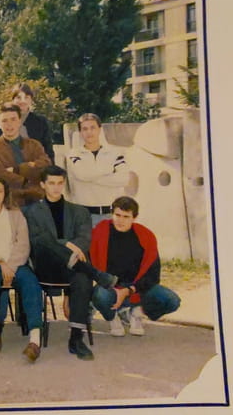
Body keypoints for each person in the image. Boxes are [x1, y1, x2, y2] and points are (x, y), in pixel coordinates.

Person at [23, 165, 118, 361]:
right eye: (51, 183)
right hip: (46, 267)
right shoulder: (31, 212)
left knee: (82, 278)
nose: (56, 188)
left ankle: (76, 339)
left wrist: (70, 247)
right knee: (44, 241)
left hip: (73, 267)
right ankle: (96, 274)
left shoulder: (79, 211)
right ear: (43, 185)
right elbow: (37, 240)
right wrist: (66, 243)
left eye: (60, 183)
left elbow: (84, 239)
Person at [0, 177, 43, 362]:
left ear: (5, 194)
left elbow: (23, 244)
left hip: (16, 264)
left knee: (31, 282)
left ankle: (35, 339)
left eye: (0, 191)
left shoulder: (16, 215)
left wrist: (10, 265)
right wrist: (0, 262)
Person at [90, 196, 181, 337]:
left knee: (172, 300)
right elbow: (89, 265)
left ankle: (137, 313)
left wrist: (129, 290)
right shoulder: (100, 232)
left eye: (126, 217)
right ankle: (113, 317)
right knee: (99, 295)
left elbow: (153, 276)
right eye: (117, 215)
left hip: (137, 288)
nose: (120, 220)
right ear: (112, 214)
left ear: (134, 218)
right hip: (111, 287)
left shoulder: (146, 236)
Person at [65, 113, 129, 225]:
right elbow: (82, 175)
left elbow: (123, 179)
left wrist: (90, 176)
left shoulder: (115, 153)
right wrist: (109, 170)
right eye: (85, 129)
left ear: (100, 129)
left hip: (110, 214)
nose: (89, 132)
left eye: (92, 128)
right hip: (84, 215)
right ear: (80, 132)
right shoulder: (74, 154)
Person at [0, 103, 51, 207]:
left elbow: (46, 165)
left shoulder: (34, 144)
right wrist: (25, 181)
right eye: (4, 121)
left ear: (19, 122)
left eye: (13, 119)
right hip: (10, 200)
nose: (9, 124)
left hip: (37, 199)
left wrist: (17, 169)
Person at [11, 83, 55, 161]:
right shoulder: (2, 121)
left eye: (26, 97)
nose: (22, 101)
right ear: (13, 100)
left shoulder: (40, 122)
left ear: (31, 100)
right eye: (18, 97)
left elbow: (48, 152)